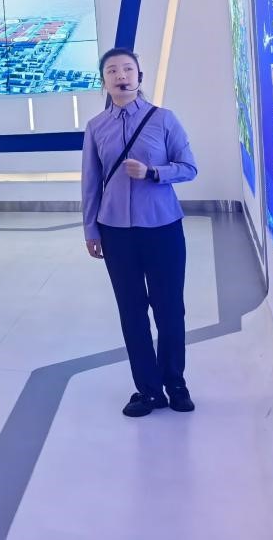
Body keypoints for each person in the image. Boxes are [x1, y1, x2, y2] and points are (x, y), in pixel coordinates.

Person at [82, 49, 198, 418]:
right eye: (112, 70)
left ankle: (175, 383)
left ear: (139, 76)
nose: (121, 75)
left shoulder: (164, 119)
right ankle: (148, 390)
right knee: (132, 311)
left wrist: (153, 173)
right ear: (104, 81)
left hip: (163, 227)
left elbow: (189, 167)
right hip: (116, 232)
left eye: (128, 69)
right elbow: (91, 183)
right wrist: (91, 229)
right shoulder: (96, 127)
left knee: (169, 308)